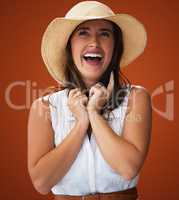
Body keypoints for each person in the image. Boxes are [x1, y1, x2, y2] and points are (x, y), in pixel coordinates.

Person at [27, 1, 152, 200]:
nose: (94, 42)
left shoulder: (136, 98)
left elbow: (128, 168)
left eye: (105, 33)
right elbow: (42, 183)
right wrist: (81, 124)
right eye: (83, 32)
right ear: (69, 46)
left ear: (115, 47)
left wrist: (94, 114)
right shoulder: (45, 107)